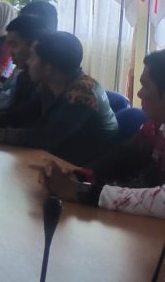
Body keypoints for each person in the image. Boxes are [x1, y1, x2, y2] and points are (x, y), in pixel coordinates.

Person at [0, 31, 118, 165]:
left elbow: (46, 138)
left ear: (48, 68)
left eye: (33, 57)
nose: (28, 62)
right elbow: (19, 115)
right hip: (54, 160)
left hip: (85, 172)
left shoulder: (83, 93)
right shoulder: (49, 84)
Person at [38, 50, 165, 219]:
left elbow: (161, 201)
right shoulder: (155, 126)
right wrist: (77, 176)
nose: (139, 94)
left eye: (145, 86)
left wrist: (80, 191)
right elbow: (122, 157)